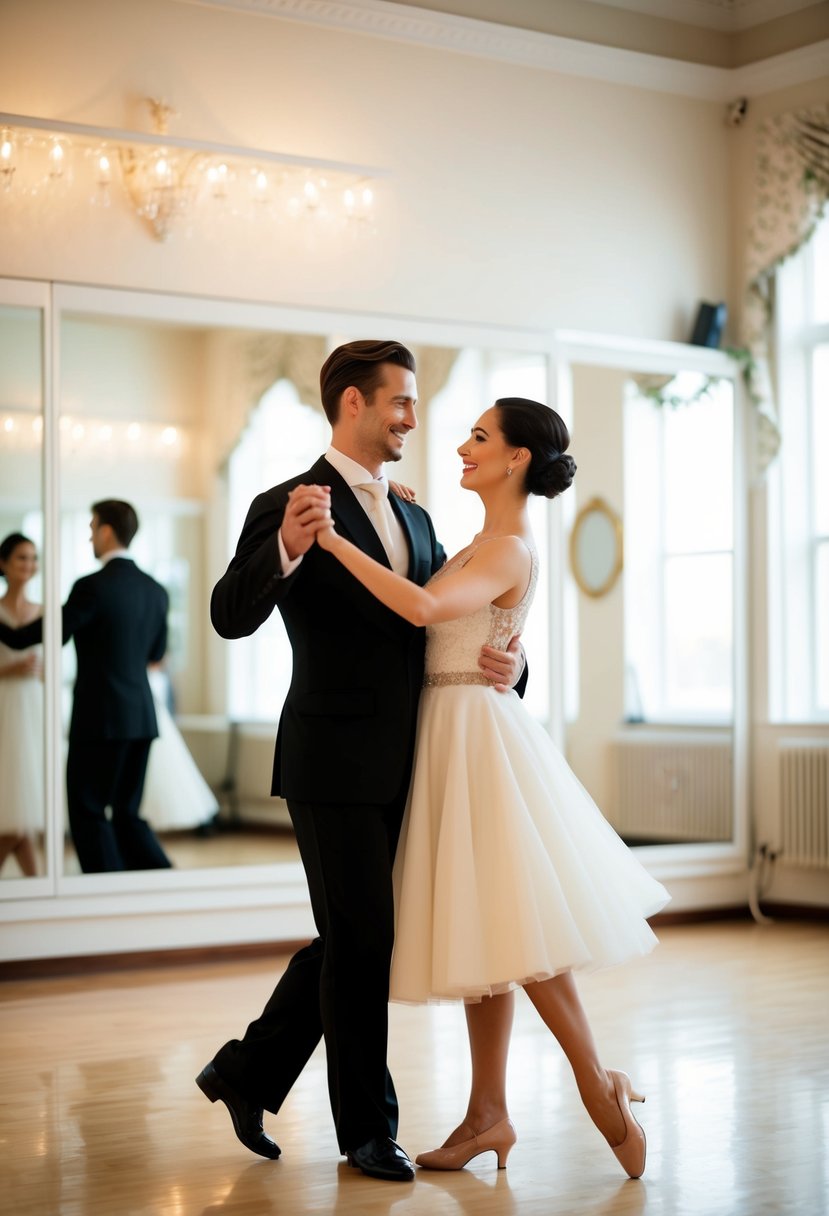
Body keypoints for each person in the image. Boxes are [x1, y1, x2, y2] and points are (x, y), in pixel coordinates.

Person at [315, 396, 671, 1181]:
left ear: (516, 459)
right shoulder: (477, 541)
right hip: (450, 730)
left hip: (477, 740)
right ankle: (488, 1114)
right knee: (493, 932)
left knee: (520, 928)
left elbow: (422, 607)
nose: (461, 446)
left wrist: (335, 541)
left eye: (479, 437)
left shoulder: (508, 546)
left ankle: (594, 1082)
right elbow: (454, 609)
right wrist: (397, 519)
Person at [198, 340, 526, 1183]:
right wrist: (287, 551)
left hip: (418, 761)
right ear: (352, 403)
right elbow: (229, 615)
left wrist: (515, 668)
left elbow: (456, 621)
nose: (415, 419)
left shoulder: (416, 515)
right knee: (362, 940)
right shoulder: (283, 501)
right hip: (329, 758)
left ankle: (246, 1072)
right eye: (402, 403)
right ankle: (366, 1131)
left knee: (353, 938)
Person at [0, 500, 172, 873]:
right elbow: (156, 652)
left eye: (93, 526)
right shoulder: (156, 590)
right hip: (142, 719)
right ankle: (163, 884)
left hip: (99, 719)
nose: (90, 534)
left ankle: (105, 893)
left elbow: (36, 636)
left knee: (87, 810)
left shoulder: (91, 587)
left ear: (107, 531)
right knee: (127, 814)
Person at [0, 533, 43, 877]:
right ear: (4, 563)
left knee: (23, 812)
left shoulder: (45, 612)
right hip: (4, 710)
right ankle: (40, 887)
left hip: (33, 711)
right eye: (20, 558)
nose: (28, 565)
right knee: (13, 814)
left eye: (33, 558)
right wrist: (10, 669)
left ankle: (38, 886)